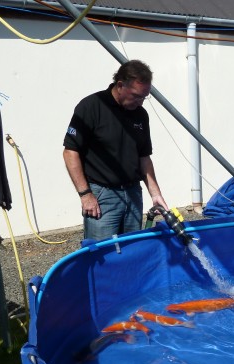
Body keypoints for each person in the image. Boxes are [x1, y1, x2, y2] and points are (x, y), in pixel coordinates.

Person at [63, 60, 169, 240]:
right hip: (102, 196)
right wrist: (85, 194)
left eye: (144, 97)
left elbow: (144, 158)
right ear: (120, 85)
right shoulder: (92, 106)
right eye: (136, 96)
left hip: (133, 194)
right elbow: (70, 152)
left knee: (131, 250)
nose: (141, 102)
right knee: (102, 254)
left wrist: (155, 193)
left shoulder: (140, 115)